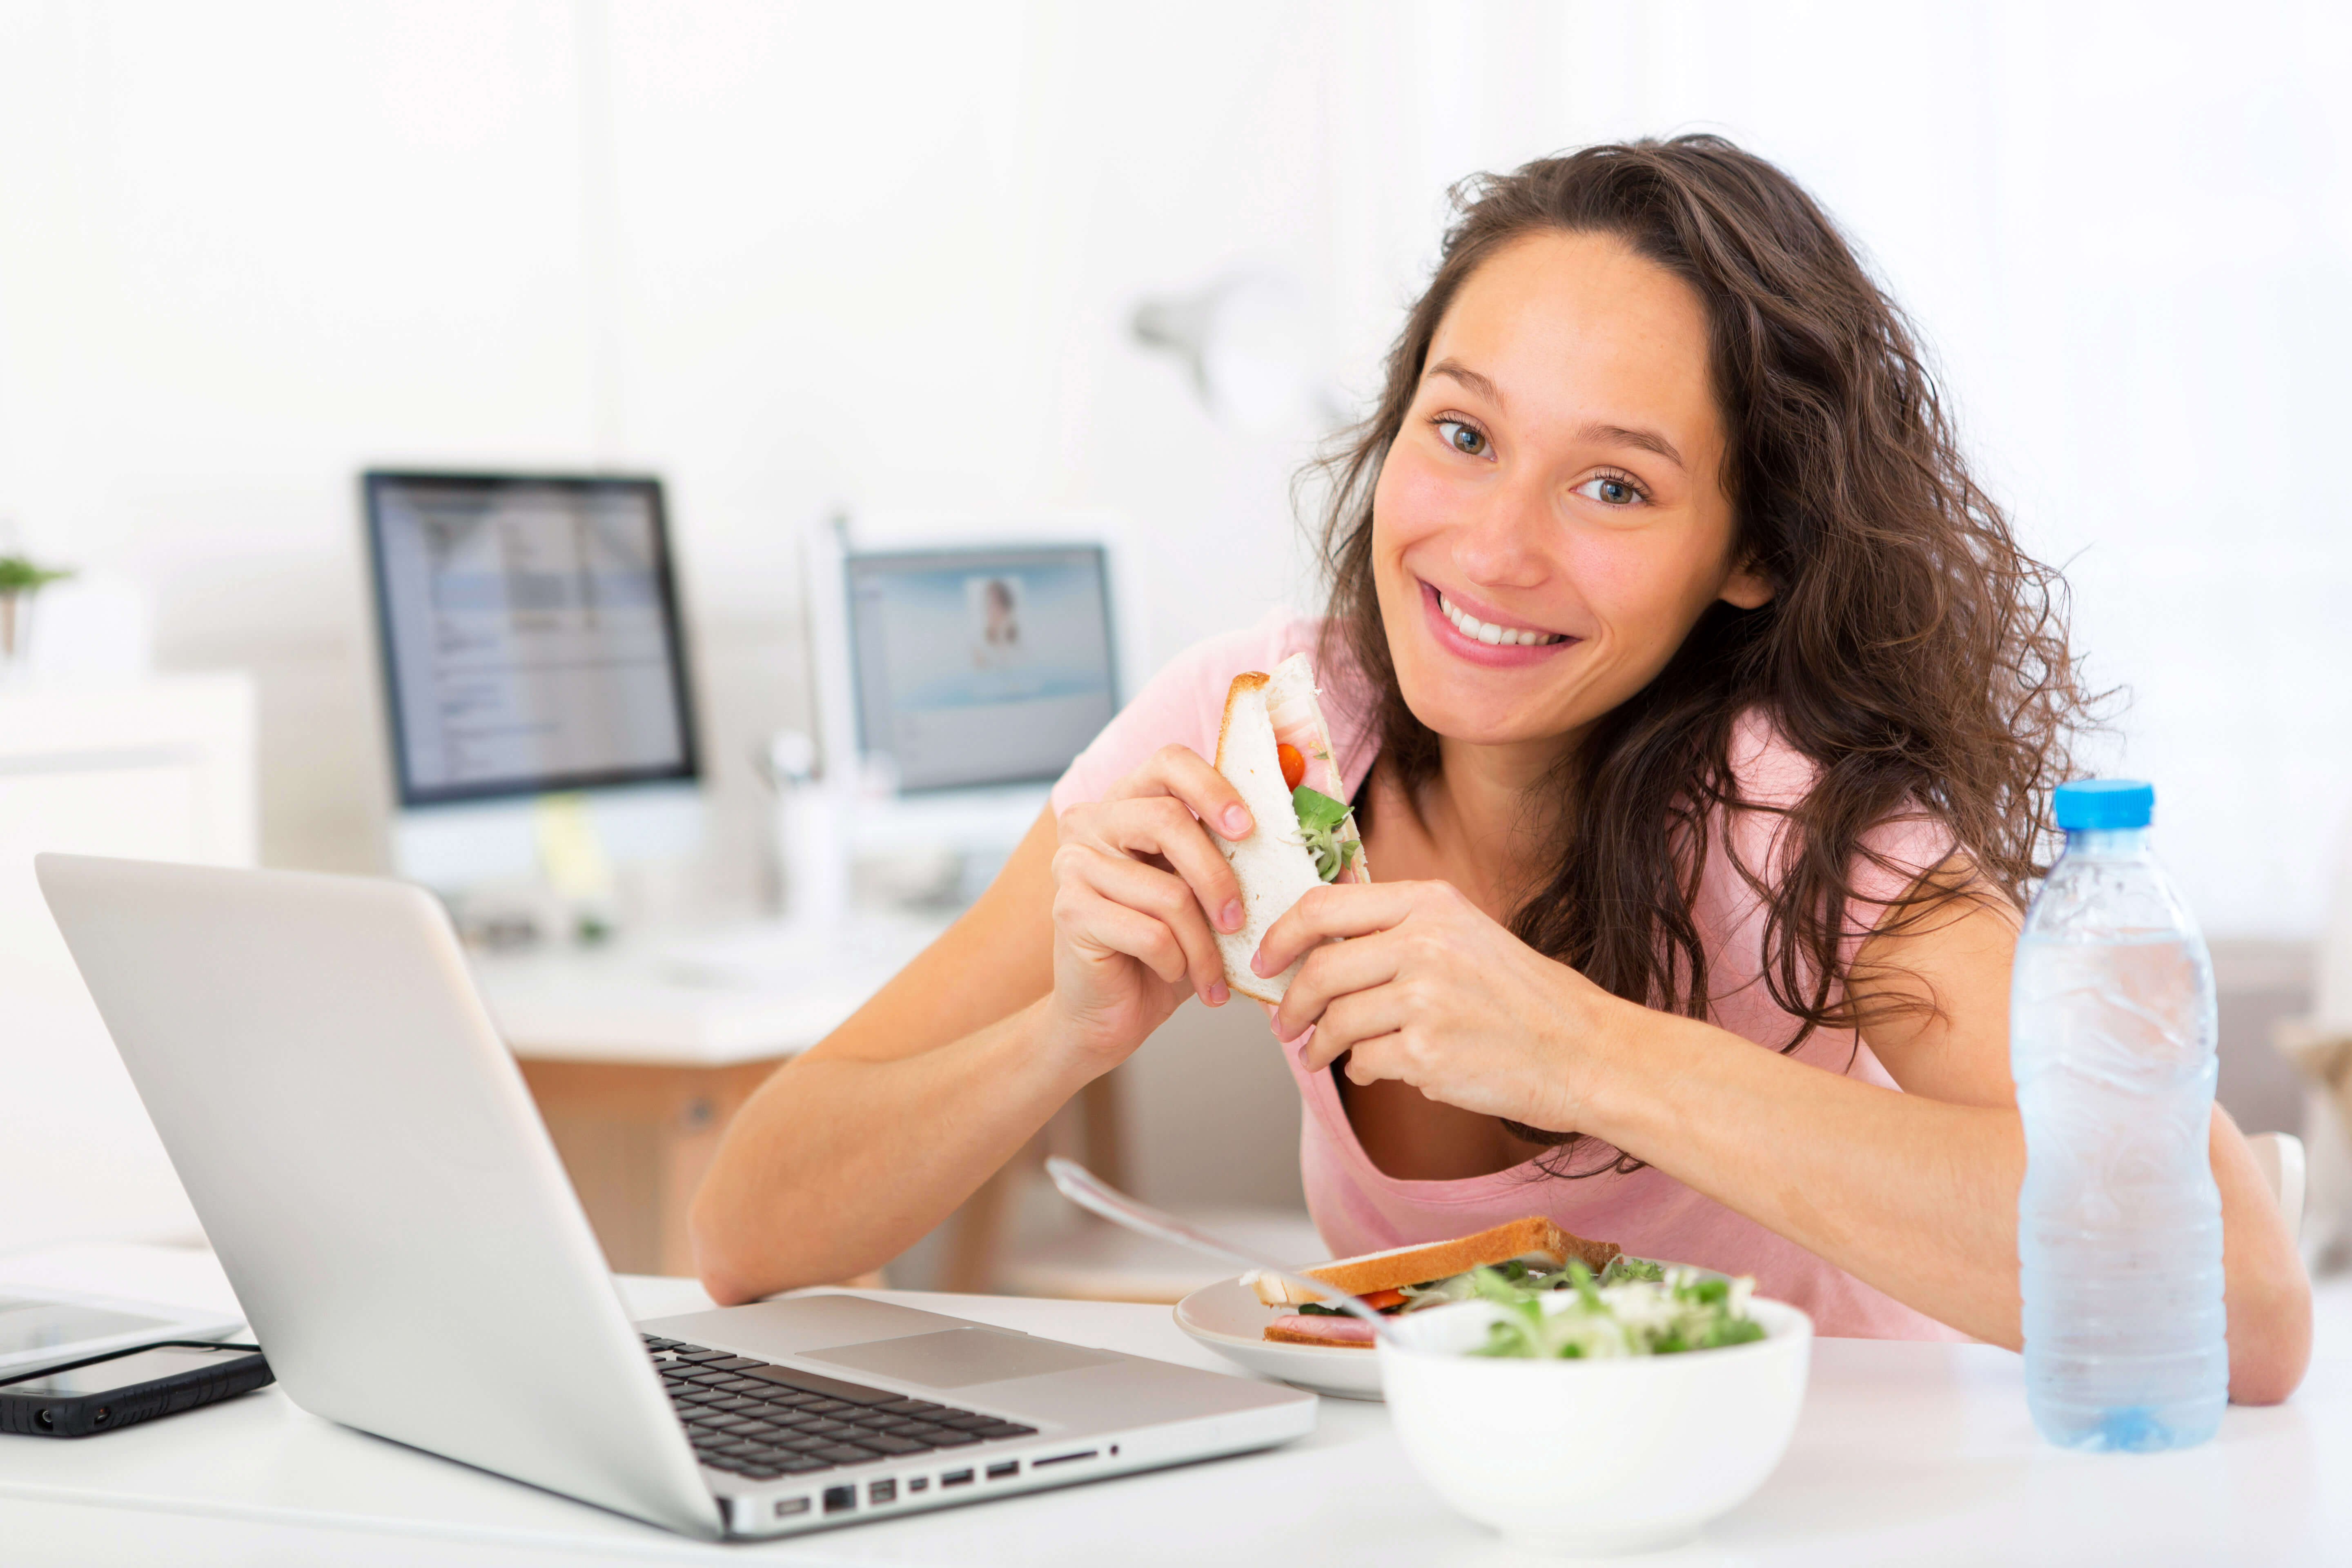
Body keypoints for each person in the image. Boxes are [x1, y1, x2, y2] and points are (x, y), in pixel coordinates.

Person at [692, 138, 2310, 1399]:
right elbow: (746, 1230)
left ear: (1749, 552)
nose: (1491, 547)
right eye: (1462, 436)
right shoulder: (1248, 729)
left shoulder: (1793, 824)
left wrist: (1583, 1053)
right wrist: (1063, 1035)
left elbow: (2239, 1306)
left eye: (1613, 487)